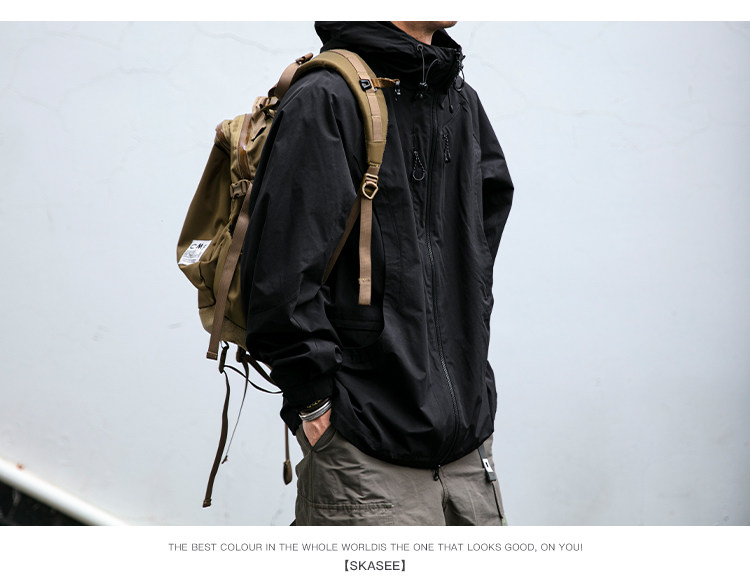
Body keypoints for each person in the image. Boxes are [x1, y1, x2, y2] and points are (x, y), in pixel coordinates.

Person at [240, 21, 514, 526]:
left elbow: (480, 239)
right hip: (364, 451)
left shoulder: (458, 99)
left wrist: (470, 373)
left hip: (467, 451)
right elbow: (280, 275)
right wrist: (314, 404)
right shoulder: (327, 97)